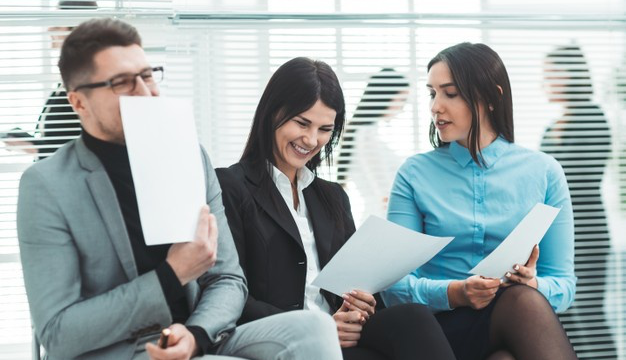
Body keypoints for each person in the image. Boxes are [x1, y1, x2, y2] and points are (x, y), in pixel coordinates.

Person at [17, 18, 343, 360]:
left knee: (315, 328)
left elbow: (228, 279)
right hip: (121, 349)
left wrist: (197, 333)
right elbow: (57, 333)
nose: (145, 92)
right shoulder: (46, 185)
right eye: (122, 83)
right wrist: (171, 276)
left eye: (147, 75)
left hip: (199, 332)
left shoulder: (189, 155)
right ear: (79, 103)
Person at [215, 57, 456, 360]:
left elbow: (355, 282)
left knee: (414, 318)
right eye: (302, 123)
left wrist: (361, 306)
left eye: (324, 129)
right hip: (284, 337)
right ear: (272, 113)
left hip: (338, 337)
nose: (311, 139)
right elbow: (225, 292)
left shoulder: (332, 198)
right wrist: (321, 325)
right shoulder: (228, 187)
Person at [381, 42, 578, 360]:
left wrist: (534, 284)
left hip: (511, 320)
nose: (435, 107)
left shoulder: (545, 172)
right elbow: (393, 286)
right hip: (435, 331)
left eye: (450, 93)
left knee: (516, 318)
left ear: (490, 97)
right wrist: (456, 293)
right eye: (432, 93)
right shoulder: (414, 174)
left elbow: (564, 284)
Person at [540, 44, 616, 359]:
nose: (545, 83)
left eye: (551, 74)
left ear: (571, 76)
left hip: (587, 229)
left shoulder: (592, 118)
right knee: (565, 315)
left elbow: (574, 180)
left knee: (588, 314)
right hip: (559, 233)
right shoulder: (551, 126)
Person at [2, 1, 96, 160]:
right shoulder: (65, 83)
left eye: (57, 23)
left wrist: (33, 149)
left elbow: (72, 154)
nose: (49, 28)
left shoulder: (84, 85)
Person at [336, 68, 410, 222]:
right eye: (401, 100)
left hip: (379, 217)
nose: (402, 107)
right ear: (386, 96)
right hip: (381, 219)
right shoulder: (365, 136)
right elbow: (383, 191)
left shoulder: (364, 133)